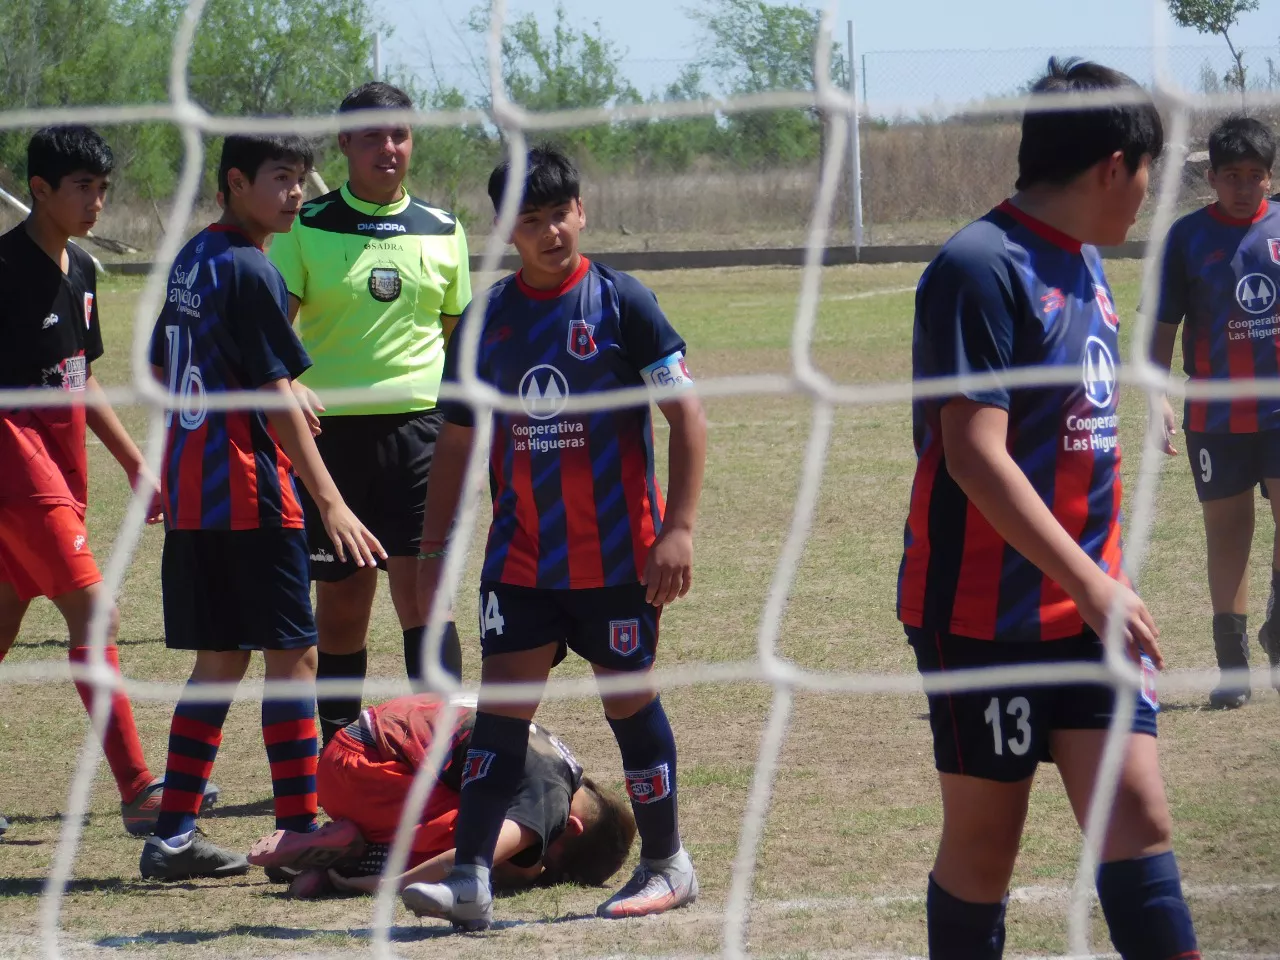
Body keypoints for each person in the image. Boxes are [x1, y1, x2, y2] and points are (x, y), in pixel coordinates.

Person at [896, 60, 1200, 959]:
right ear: (1116, 166)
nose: (1150, 195)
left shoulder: (1089, 263)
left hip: (1089, 608)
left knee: (1138, 817)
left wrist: (1102, 581)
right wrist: (1090, 580)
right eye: (1148, 174)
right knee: (988, 847)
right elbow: (973, 455)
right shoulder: (979, 265)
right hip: (983, 618)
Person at [400, 145, 708, 932]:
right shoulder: (486, 322)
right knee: (502, 714)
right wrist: (434, 554)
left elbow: (688, 418)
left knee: (627, 700)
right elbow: (459, 446)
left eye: (558, 214)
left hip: (615, 559)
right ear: (507, 234)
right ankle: (470, 876)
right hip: (523, 559)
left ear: (582, 210)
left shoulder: (623, 302)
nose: (549, 233)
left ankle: (668, 862)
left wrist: (677, 529)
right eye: (528, 222)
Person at [138, 134, 384, 881]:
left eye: (302, 179)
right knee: (295, 657)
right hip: (253, 498)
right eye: (281, 179)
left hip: (194, 495)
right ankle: (297, 826)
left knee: (219, 661)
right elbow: (274, 400)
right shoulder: (252, 270)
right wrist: (332, 503)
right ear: (236, 183)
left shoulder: (194, 258)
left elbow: (161, 363)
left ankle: (172, 835)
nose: (298, 194)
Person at [0, 125, 216, 839]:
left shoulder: (83, 270)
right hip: (16, 470)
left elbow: (79, 375)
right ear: (39, 190)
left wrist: (132, 461)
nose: (97, 201)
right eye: (82, 188)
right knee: (97, 616)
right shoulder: (4, 272)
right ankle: (138, 792)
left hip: (58, 472)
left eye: (103, 188)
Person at [269, 81, 472, 743]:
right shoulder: (307, 226)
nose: (390, 148)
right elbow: (275, 331)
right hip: (334, 438)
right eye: (375, 136)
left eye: (400, 135)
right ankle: (336, 747)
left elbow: (457, 344)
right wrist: (288, 386)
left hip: (422, 436)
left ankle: (445, 746)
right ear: (345, 144)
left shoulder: (443, 230)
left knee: (425, 596)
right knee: (344, 602)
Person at [245, 693, 636, 899]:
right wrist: (383, 887)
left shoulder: (563, 765)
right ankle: (354, 862)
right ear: (571, 826)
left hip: (359, 751)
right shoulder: (552, 801)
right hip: (361, 770)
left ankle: (343, 850)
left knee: (477, 814)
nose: (540, 860)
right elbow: (473, 857)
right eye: (551, 862)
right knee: (479, 837)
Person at [1152, 116, 1280, 708]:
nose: (1244, 187)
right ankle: (1233, 667)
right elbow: (1162, 329)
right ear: (1211, 176)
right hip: (1216, 417)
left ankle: (1277, 621)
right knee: (1227, 535)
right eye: (1233, 175)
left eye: (1256, 176)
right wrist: (1157, 397)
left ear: (1269, 176)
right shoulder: (1186, 238)